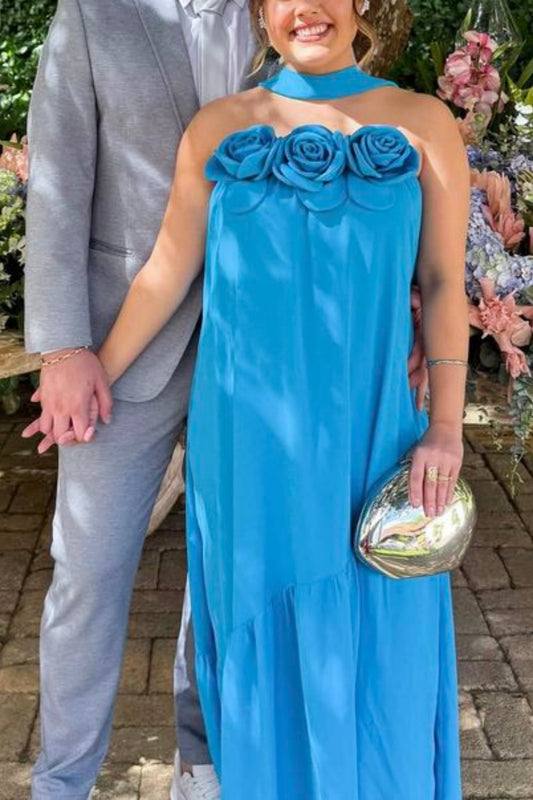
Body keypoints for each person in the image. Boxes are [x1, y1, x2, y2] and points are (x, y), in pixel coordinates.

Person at [28, 0, 470, 796]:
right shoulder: (218, 127)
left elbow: (440, 282)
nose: (307, 9)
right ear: (263, 13)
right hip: (248, 434)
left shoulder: (423, 123)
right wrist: (85, 370)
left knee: (380, 624)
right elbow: (162, 273)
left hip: (370, 425)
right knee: (234, 608)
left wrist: (445, 425)